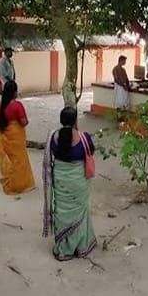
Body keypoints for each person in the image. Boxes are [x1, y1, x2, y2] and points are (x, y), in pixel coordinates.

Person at [43, 106, 97, 260]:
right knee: (80, 211)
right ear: (75, 121)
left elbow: (53, 154)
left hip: (60, 181)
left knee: (62, 210)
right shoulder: (85, 137)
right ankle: (81, 246)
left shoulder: (53, 137)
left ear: (61, 120)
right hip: (79, 182)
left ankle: (63, 249)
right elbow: (90, 152)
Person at [0, 80, 36, 194]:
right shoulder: (17, 105)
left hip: (5, 135)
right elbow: (23, 122)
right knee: (19, 159)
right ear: (14, 92)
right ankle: (21, 184)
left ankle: (9, 179)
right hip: (16, 136)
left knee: (10, 159)